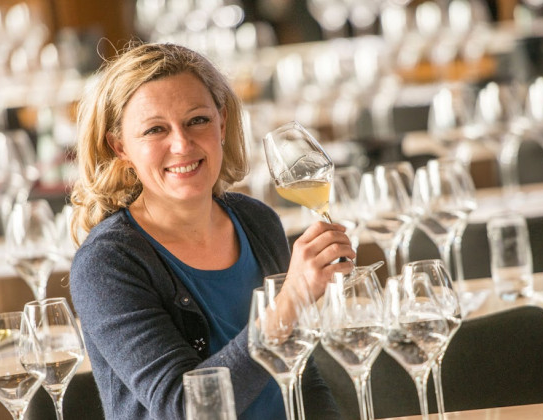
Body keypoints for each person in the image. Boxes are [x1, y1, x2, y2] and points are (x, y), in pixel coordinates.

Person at [68, 42, 355, 419]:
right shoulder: (106, 264)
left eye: (197, 120)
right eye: (155, 129)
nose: (182, 144)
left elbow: (303, 378)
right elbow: (183, 407)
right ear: (120, 146)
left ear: (222, 122)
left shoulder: (257, 221)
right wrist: (291, 300)